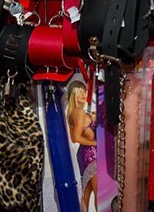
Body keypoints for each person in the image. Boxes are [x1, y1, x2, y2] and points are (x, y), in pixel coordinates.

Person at [65, 81, 97, 211]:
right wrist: (96, 143)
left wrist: (91, 119)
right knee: (98, 193)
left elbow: (73, 138)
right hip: (91, 155)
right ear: (74, 94)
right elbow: (77, 137)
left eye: (84, 91)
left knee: (86, 194)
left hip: (84, 154)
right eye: (80, 92)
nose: (84, 94)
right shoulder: (79, 113)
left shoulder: (72, 113)